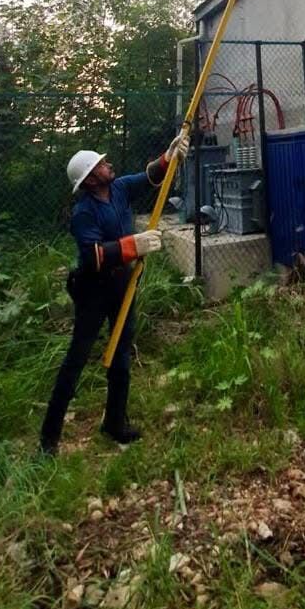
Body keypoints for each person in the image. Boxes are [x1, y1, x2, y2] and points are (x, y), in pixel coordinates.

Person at [40, 134, 189, 455]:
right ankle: (48, 441)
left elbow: (151, 176)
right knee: (76, 360)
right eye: (102, 164)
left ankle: (115, 423)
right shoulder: (84, 212)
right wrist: (133, 245)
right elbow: (93, 256)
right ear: (91, 179)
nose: (109, 165)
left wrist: (170, 153)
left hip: (124, 286)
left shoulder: (119, 188)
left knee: (121, 354)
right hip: (93, 292)